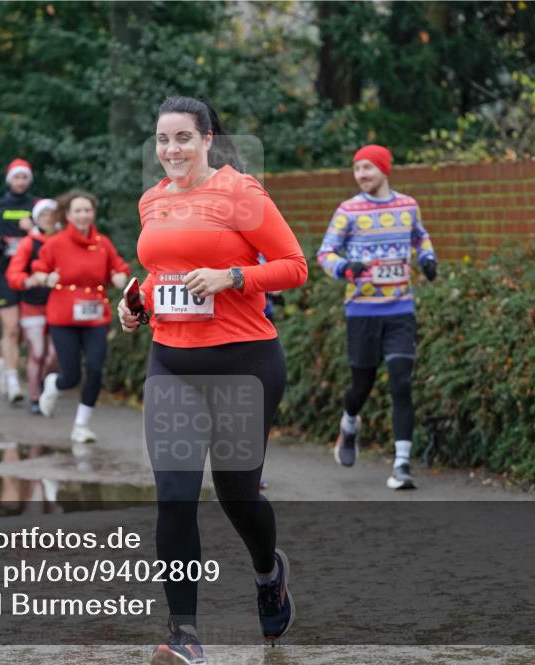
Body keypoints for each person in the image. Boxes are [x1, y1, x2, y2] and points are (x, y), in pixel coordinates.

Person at [117, 96, 307, 664]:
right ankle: (185, 636)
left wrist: (232, 276)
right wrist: (136, 301)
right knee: (174, 498)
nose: (170, 150)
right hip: (171, 361)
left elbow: (294, 266)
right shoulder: (151, 200)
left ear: (206, 140)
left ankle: (268, 574)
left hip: (244, 362)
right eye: (161, 140)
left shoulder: (240, 192)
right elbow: (160, 275)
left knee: (236, 494)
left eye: (181, 139)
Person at [316, 144, 437, 490]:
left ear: (385, 169)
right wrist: (344, 267)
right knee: (362, 385)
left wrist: (428, 258)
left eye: (368, 168)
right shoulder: (348, 211)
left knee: (401, 381)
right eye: (357, 169)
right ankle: (349, 423)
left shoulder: (407, 206)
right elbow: (325, 252)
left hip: (400, 308)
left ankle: (402, 465)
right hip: (362, 310)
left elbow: (421, 236)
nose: (362, 175)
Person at [33, 190, 129, 443]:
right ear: (68, 215)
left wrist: (119, 276)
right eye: (78, 210)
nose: (84, 215)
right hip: (63, 318)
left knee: (96, 370)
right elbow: (39, 268)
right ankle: (54, 384)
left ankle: (81, 425)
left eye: (87, 210)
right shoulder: (56, 243)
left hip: (95, 318)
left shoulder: (102, 243)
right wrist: (46, 278)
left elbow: (117, 267)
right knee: (72, 376)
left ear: (93, 213)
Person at [0, 158, 38, 404]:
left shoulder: (37, 205)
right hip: (3, 272)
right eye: (17, 177)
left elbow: (50, 231)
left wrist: (33, 225)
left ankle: (6, 364)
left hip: (30, 274)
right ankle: (13, 380)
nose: (21, 181)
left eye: (24, 177)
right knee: (11, 328)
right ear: (9, 180)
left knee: (27, 331)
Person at [5, 198, 60, 415]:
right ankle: (35, 397)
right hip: (33, 304)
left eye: (52, 214)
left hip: (59, 304)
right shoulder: (29, 242)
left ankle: (47, 387)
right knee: (37, 352)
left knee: (54, 355)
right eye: (44, 215)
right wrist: (29, 281)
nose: (48, 219)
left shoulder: (65, 239)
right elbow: (13, 274)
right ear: (37, 218)